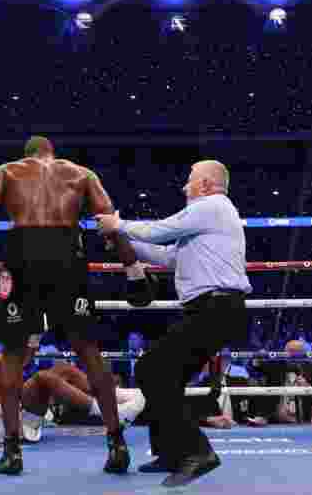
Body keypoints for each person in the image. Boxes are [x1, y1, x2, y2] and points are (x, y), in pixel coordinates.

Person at [0, 136, 143, 475]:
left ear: (27, 155)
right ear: (53, 154)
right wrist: (135, 272)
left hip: (21, 254)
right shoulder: (82, 174)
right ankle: (116, 443)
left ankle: (12, 452)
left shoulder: (8, 172)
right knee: (88, 351)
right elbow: (110, 225)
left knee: (12, 353)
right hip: (67, 254)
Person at [96, 159, 250, 488]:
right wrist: (125, 245)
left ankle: (198, 451)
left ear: (207, 184)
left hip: (217, 308)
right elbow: (167, 256)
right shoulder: (205, 221)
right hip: (210, 310)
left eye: (190, 180)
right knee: (167, 375)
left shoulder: (212, 206)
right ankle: (171, 453)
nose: (184, 187)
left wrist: (118, 223)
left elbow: (160, 230)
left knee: (153, 369)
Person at [0, 325, 146, 446]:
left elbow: (20, 363)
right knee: (43, 378)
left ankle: (117, 396)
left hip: (21, 409)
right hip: (10, 427)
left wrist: (34, 339)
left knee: (63, 368)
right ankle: (111, 415)